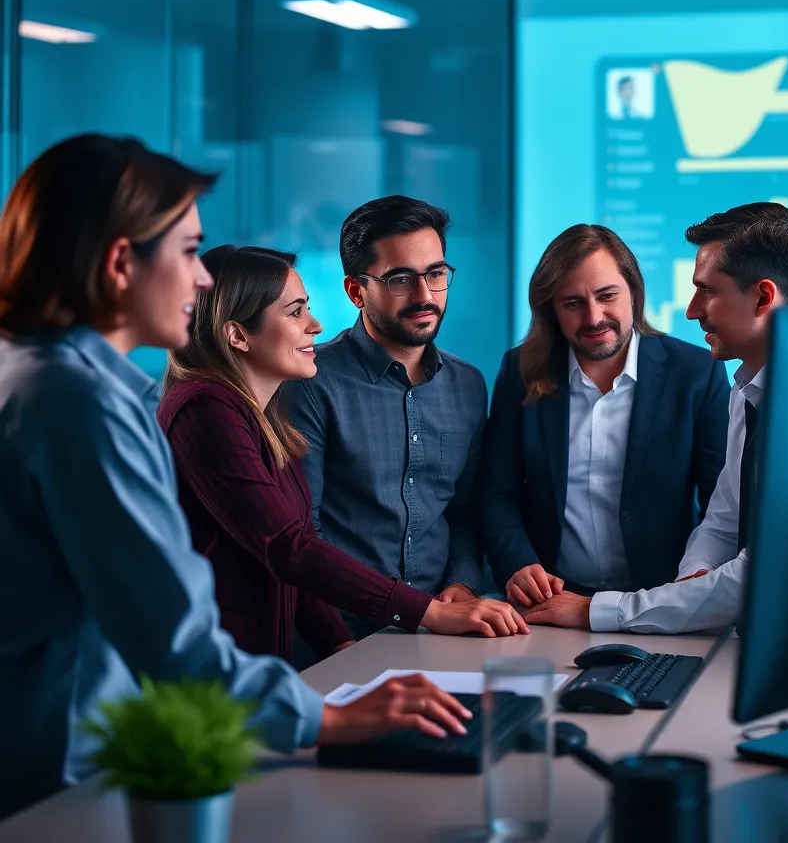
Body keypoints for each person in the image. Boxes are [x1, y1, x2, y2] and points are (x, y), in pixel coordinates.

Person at [0, 136, 471, 819]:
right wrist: (331, 720)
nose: (201, 280)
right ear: (120, 263)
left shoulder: (38, 375)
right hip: (61, 771)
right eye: (190, 252)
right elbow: (174, 634)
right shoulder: (81, 403)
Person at [158, 244, 527, 665]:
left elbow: (291, 552)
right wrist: (431, 613)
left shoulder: (262, 413)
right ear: (238, 334)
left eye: (307, 308)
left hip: (259, 664)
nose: (314, 325)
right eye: (295, 312)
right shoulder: (205, 409)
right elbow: (288, 546)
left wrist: (340, 647)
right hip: (216, 670)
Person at [522, 203, 788, 634]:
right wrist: (692, 581)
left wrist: (596, 611)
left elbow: (762, 574)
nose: (691, 309)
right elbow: (723, 517)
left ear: (763, 296)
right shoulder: (748, 389)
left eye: (708, 291)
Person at [480, 225, 729, 606]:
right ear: (553, 312)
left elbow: (721, 503)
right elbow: (497, 492)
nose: (594, 317)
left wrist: (698, 581)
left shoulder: (695, 372)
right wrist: (517, 564)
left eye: (606, 295)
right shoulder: (520, 371)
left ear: (634, 293)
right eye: (573, 303)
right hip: (550, 603)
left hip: (658, 603)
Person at [284, 197, 489, 638]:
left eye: (436, 274)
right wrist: (336, 640)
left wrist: (463, 582)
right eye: (401, 279)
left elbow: (466, 512)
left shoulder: (469, 385)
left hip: (445, 629)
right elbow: (302, 536)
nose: (425, 296)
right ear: (357, 291)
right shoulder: (310, 383)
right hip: (343, 634)